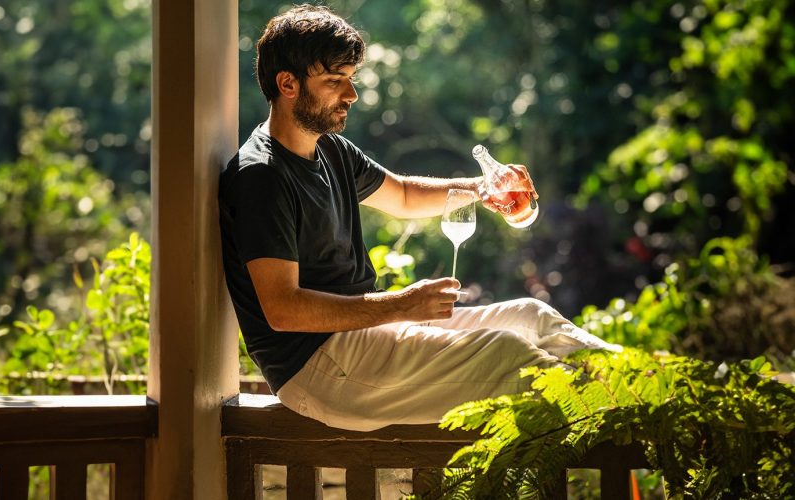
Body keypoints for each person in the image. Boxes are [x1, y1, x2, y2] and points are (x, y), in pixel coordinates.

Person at [218, 4, 620, 432]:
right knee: (508, 352)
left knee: (531, 316)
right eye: (335, 81)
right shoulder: (261, 176)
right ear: (288, 84)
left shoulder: (330, 149)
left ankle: (648, 389)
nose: (350, 95)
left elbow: (405, 195)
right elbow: (284, 310)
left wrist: (481, 190)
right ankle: (638, 420)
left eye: (350, 79)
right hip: (317, 367)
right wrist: (403, 304)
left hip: (364, 336)